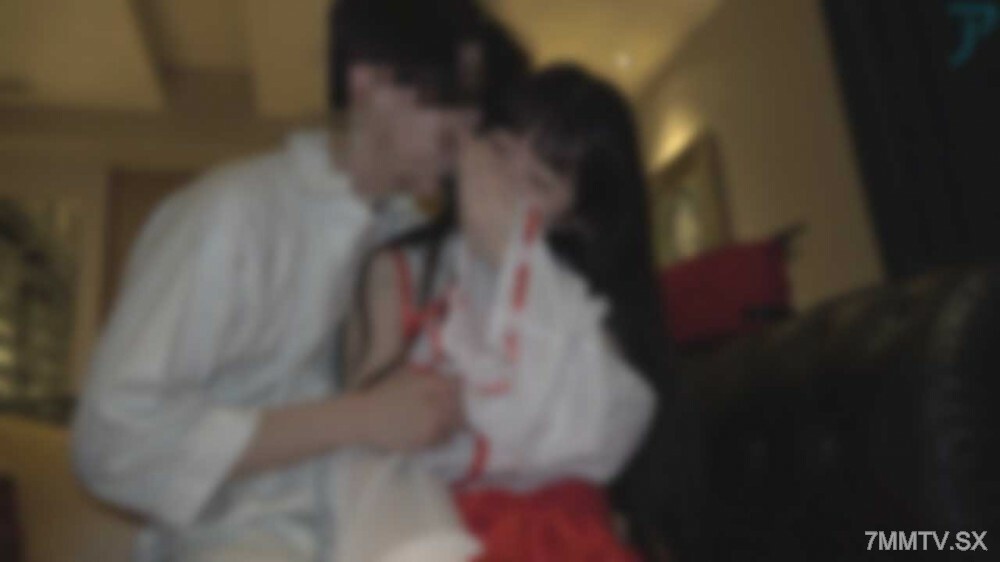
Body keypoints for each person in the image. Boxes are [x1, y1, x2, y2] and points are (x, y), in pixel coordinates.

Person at [71, 1, 528, 561]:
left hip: (380, 530)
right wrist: (360, 418)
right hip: (234, 542)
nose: (470, 131)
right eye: (457, 102)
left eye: (479, 114)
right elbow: (112, 442)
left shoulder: (417, 245)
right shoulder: (234, 216)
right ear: (370, 83)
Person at [341, 65, 678, 561]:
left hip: (569, 536)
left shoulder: (581, 306)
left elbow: (609, 429)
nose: (500, 184)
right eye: (498, 151)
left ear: (576, 218)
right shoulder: (401, 269)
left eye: (538, 181)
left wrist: (509, 255)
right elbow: (362, 439)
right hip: (434, 525)